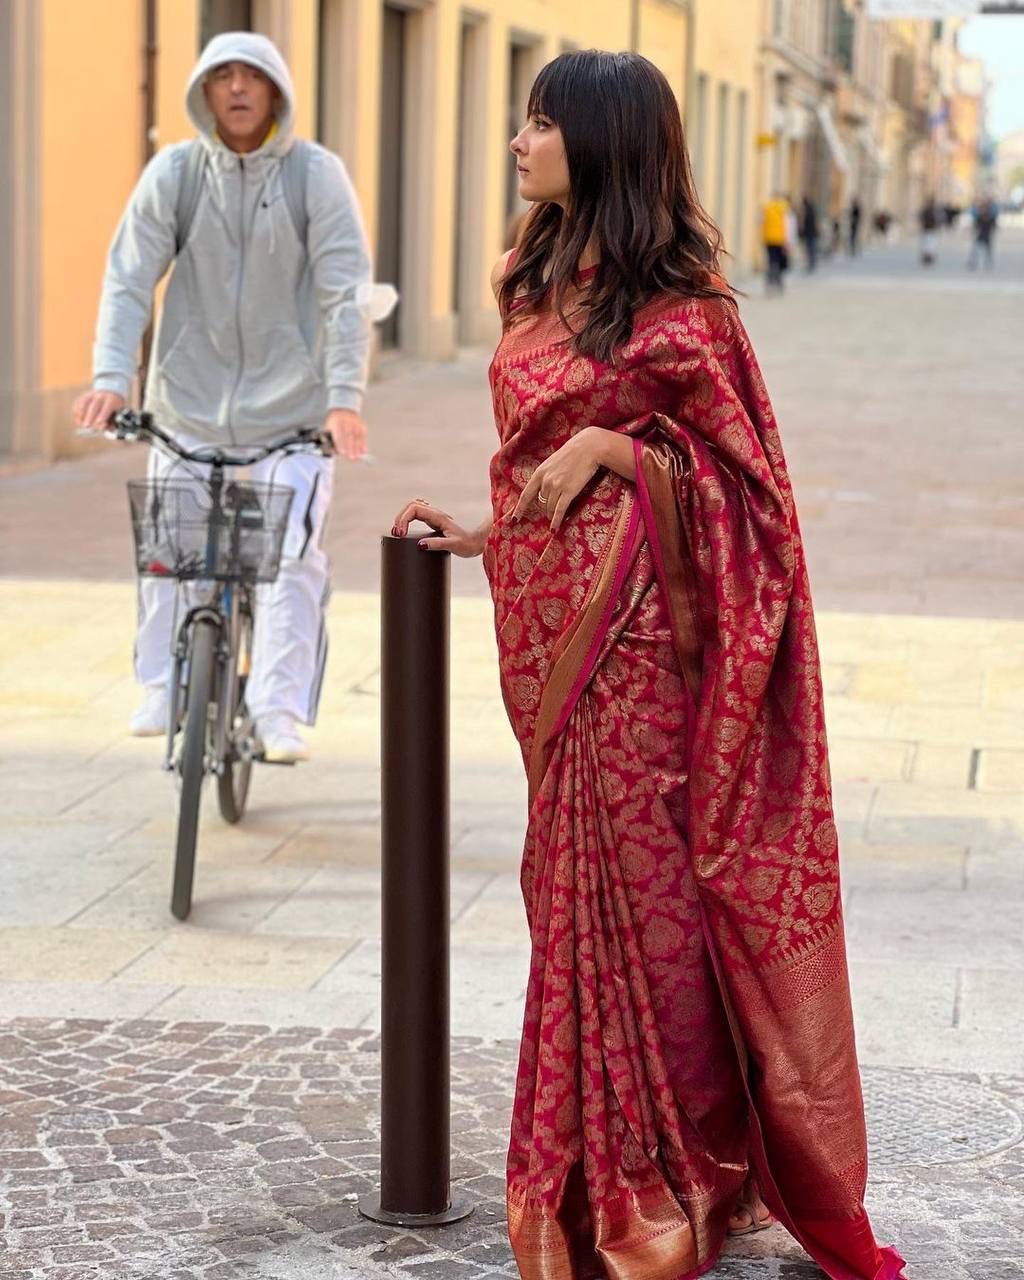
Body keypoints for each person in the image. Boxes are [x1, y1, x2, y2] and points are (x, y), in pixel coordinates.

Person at [393, 50, 905, 1280]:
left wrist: (629, 455)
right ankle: (582, 1170)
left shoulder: (690, 317)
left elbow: (757, 509)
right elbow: (529, 461)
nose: (518, 141)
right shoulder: (532, 285)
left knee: (652, 923)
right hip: (554, 660)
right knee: (568, 914)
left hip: (644, 674)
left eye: (540, 122)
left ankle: (676, 1179)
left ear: (605, 142)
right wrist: (486, 533)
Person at [73, 33, 382, 763]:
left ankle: (276, 710)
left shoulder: (316, 176)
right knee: (169, 551)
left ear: (276, 91)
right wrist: (112, 378)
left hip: (293, 413)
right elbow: (127, 279)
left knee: (294, 554)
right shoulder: (176, 173)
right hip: (187, 403)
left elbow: (345, 294)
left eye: (252, 76)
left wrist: (344, 399)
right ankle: (161, 684)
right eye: (223, 78)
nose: (238, 89)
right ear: (205, 93)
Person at [761, 191, 792, 294]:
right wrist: (788, 242)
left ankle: (769, 284)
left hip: (768, 239)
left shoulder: (767, 208)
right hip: (780, 240)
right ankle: (779, 284)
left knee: (771, 261)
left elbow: (761, 222)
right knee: (779, 263)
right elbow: (788, 226)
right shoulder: (784, 209)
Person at [968, 197, 998, 270]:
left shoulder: (990, 217)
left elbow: (994, 226)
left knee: (988, 251)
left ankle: (988, 263)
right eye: (982, 209)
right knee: (976, 249)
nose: (983, 210)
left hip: (987, 235)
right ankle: (973, 262)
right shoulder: (979, 216)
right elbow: (975, 225)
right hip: (980, 235)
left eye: (984, 208)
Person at [799, 195, 820, 272]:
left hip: (810, 233)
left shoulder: (807, 210)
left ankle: (812, 263)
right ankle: (812, 263)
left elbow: (807, 223)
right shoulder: (811, 210)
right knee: (811, 249)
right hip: (811, 233)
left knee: (811, 249)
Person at [919, 196, 940, 267]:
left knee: (928, 245)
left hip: (928, 230)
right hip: (929, 230)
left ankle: (928, 258)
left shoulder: (928, 211)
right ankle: (928, 258)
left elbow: (921, 219)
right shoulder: (932, 211)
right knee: (929, 245)